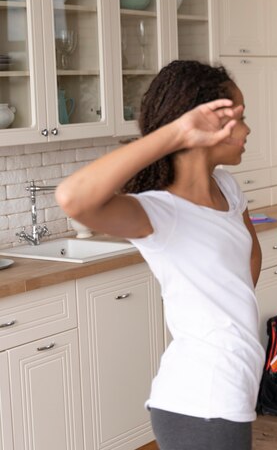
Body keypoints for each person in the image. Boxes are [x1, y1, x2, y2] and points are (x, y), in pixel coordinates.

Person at [56, 60, 264, 450]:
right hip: (199, 397)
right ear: (201, 125)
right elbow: (72, 198)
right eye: (239, 118)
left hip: (231, 384)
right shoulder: (159, 212)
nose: (248, 129)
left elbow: (250, 258)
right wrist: (177, 132)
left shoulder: (227, 187)